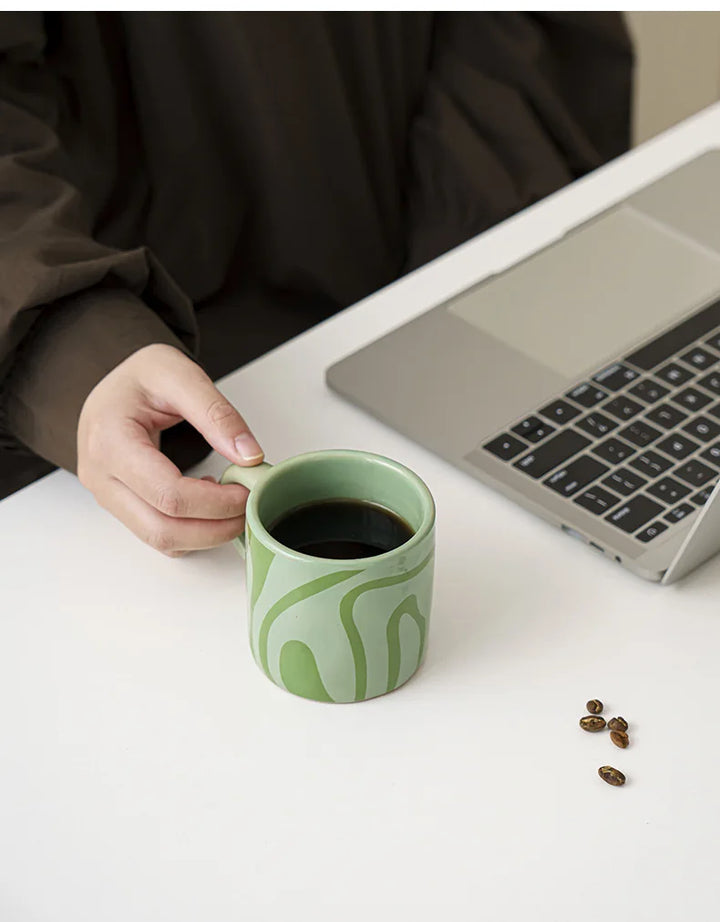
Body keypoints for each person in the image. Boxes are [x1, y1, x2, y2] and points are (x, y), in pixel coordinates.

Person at [0, 12, 633, 553]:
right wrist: (74, 349)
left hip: (431, 318)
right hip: (134, 394)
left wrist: (465, 283)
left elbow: (515, 33)